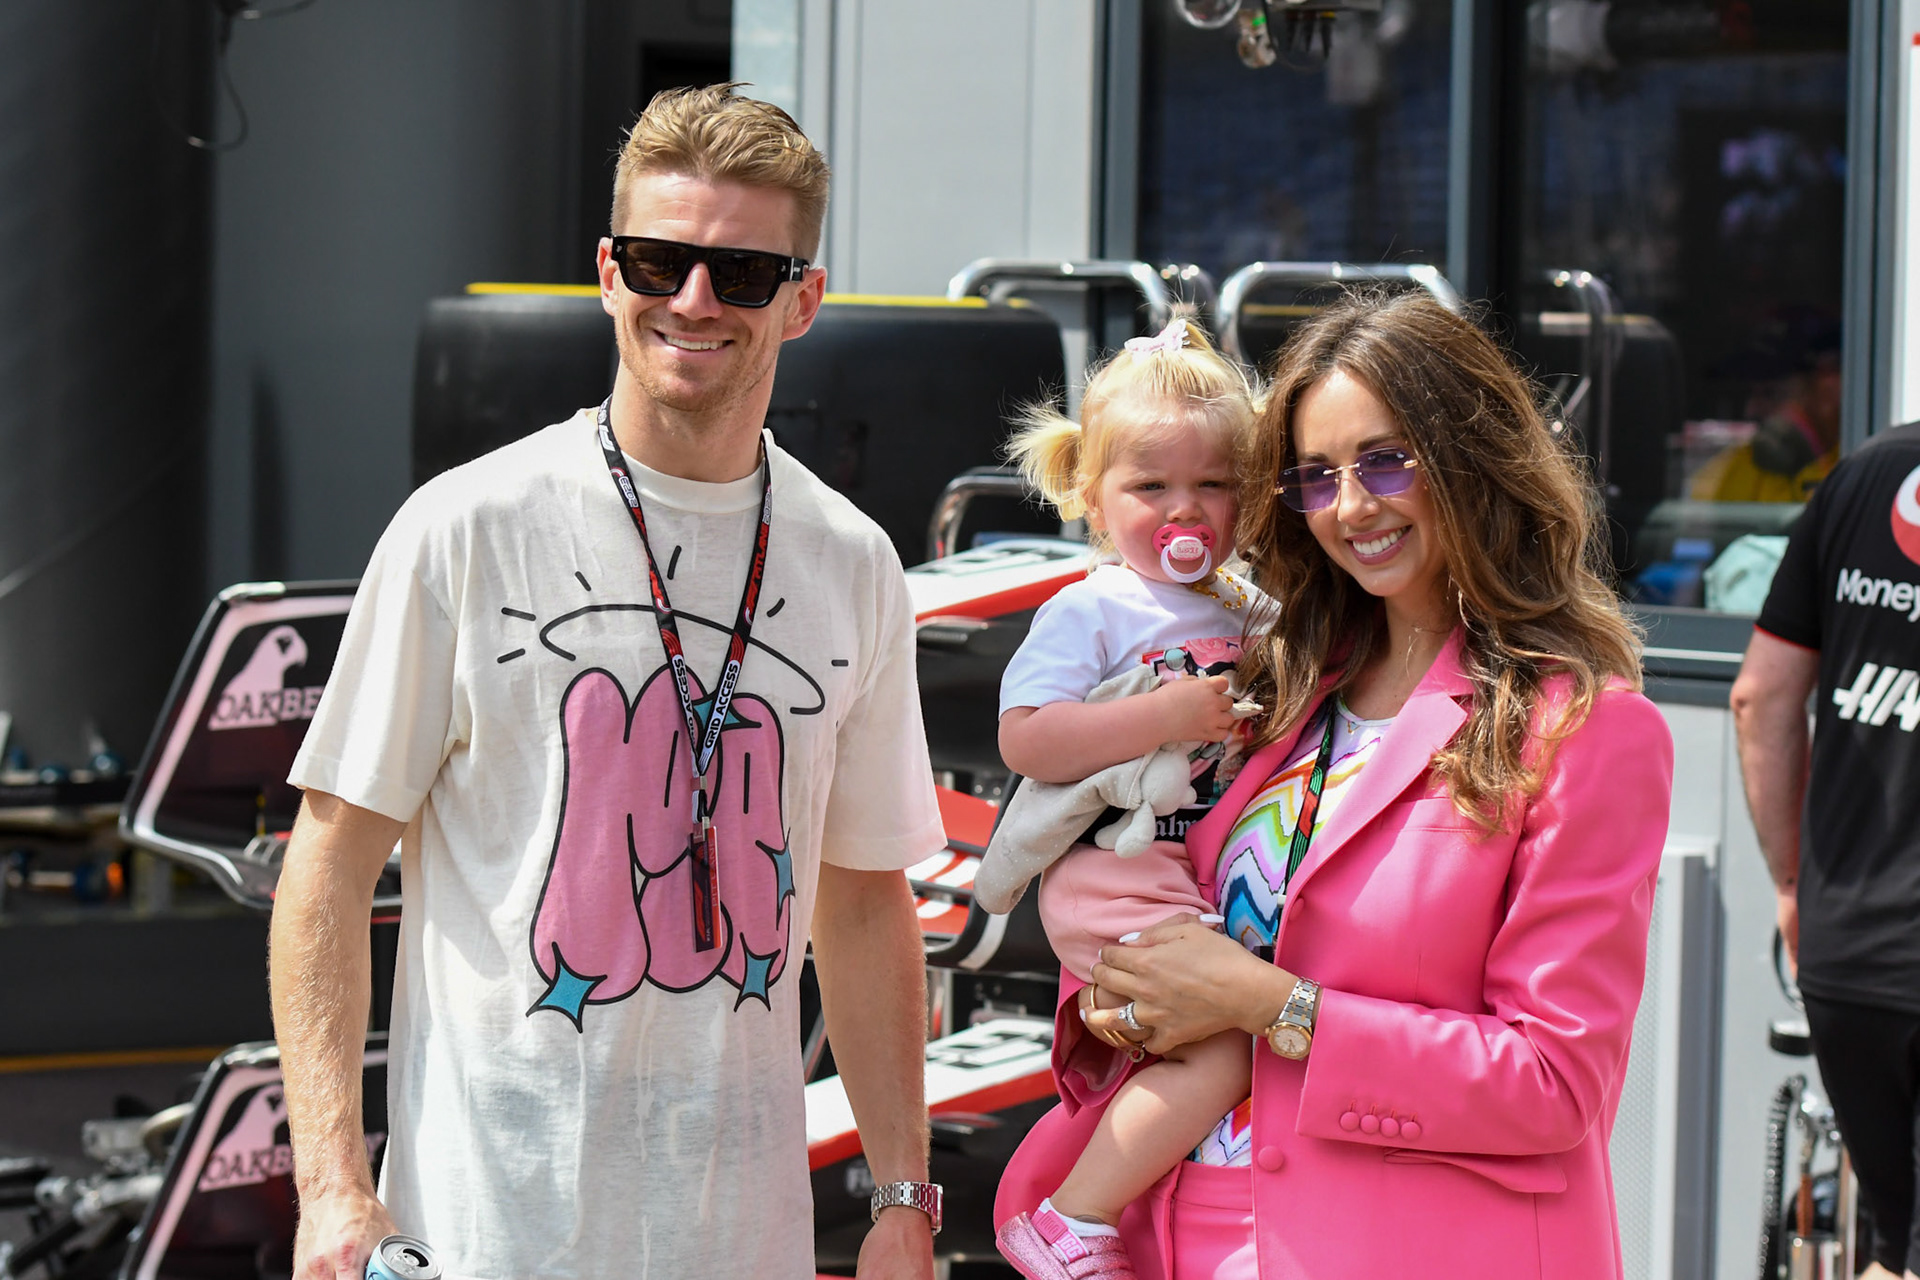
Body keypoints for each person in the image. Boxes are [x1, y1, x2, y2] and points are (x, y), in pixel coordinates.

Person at [268, 84, 948, 1280]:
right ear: (606, 270)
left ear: (804, 299)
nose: (693, 301)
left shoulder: (853, 562)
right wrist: (331, 1185)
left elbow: (861, 894)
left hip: (741, 1239)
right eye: (658, 259)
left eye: (741, 273)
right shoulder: (467, 525)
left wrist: (902, 1192)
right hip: (489, 1233)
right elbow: (327, 861)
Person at [995, 289, 1674, 1279]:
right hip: (1177, 1239)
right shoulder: (1276, 688)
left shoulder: (1584, 728)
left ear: (1473, 459)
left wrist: (1277, 1004)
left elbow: (1554, 1082)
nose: (1352, 505)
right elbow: (1174, 909)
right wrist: (1121, 1001)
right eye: (1316, 476)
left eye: (1387, 459)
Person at [973, 320, 1267, 1279]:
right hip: (1109, 867)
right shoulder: (1092, 608)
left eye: (1212, 485)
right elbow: (1028, 739)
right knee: (1222, 1049)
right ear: (1093, 500)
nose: (1185, 510)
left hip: (1192, 862)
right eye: (1151, 488)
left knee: (1219, 1044)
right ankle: (1072, 1217)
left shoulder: (1249, 609)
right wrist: (1163, 715)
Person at [1730, 421, 1920, 1280]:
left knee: (1890, 1250)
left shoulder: (1865, 475)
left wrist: (1792, 882)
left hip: (1844, 950)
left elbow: (1760, 698)